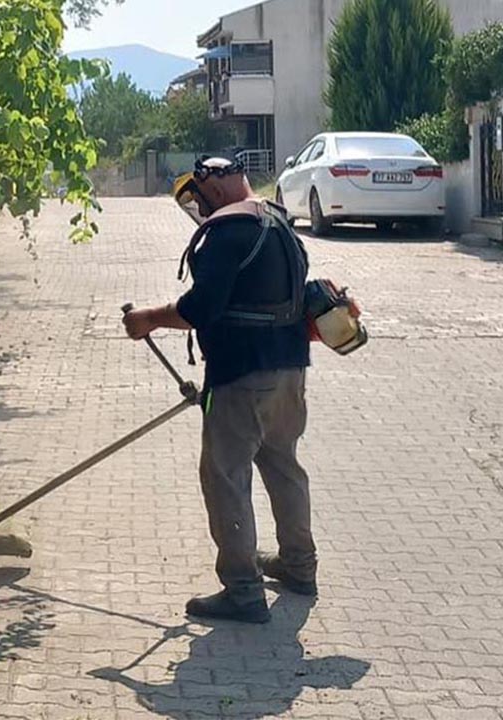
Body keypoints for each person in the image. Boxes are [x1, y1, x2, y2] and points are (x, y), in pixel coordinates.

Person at [122, 157, 317, 624]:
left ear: (216, 185)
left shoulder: (225, 234)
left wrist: (147, 318)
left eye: (198, 195)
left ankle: (243, 591)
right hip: (290, 372)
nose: (197, 206)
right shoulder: (278, 222)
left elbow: (201, 308)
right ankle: (299, 567)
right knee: (284, 467)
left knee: (225, 477)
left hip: (241, 377)